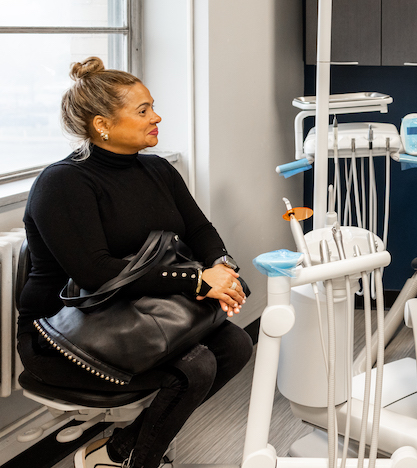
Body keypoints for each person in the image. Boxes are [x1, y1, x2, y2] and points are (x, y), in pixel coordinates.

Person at [17, 57, 253, 468]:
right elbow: (95, 272)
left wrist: (222, 266)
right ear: (102, 124)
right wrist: (198, 280)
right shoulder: (64, 183)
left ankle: (120, 450)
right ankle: (137, 460)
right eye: (143, 111)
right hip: (63, 332)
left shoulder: (157, 169)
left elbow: (199, 230)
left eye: (152, 107)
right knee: (194, 367)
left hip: (133, 310)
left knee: (235, 344)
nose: (156, 117)